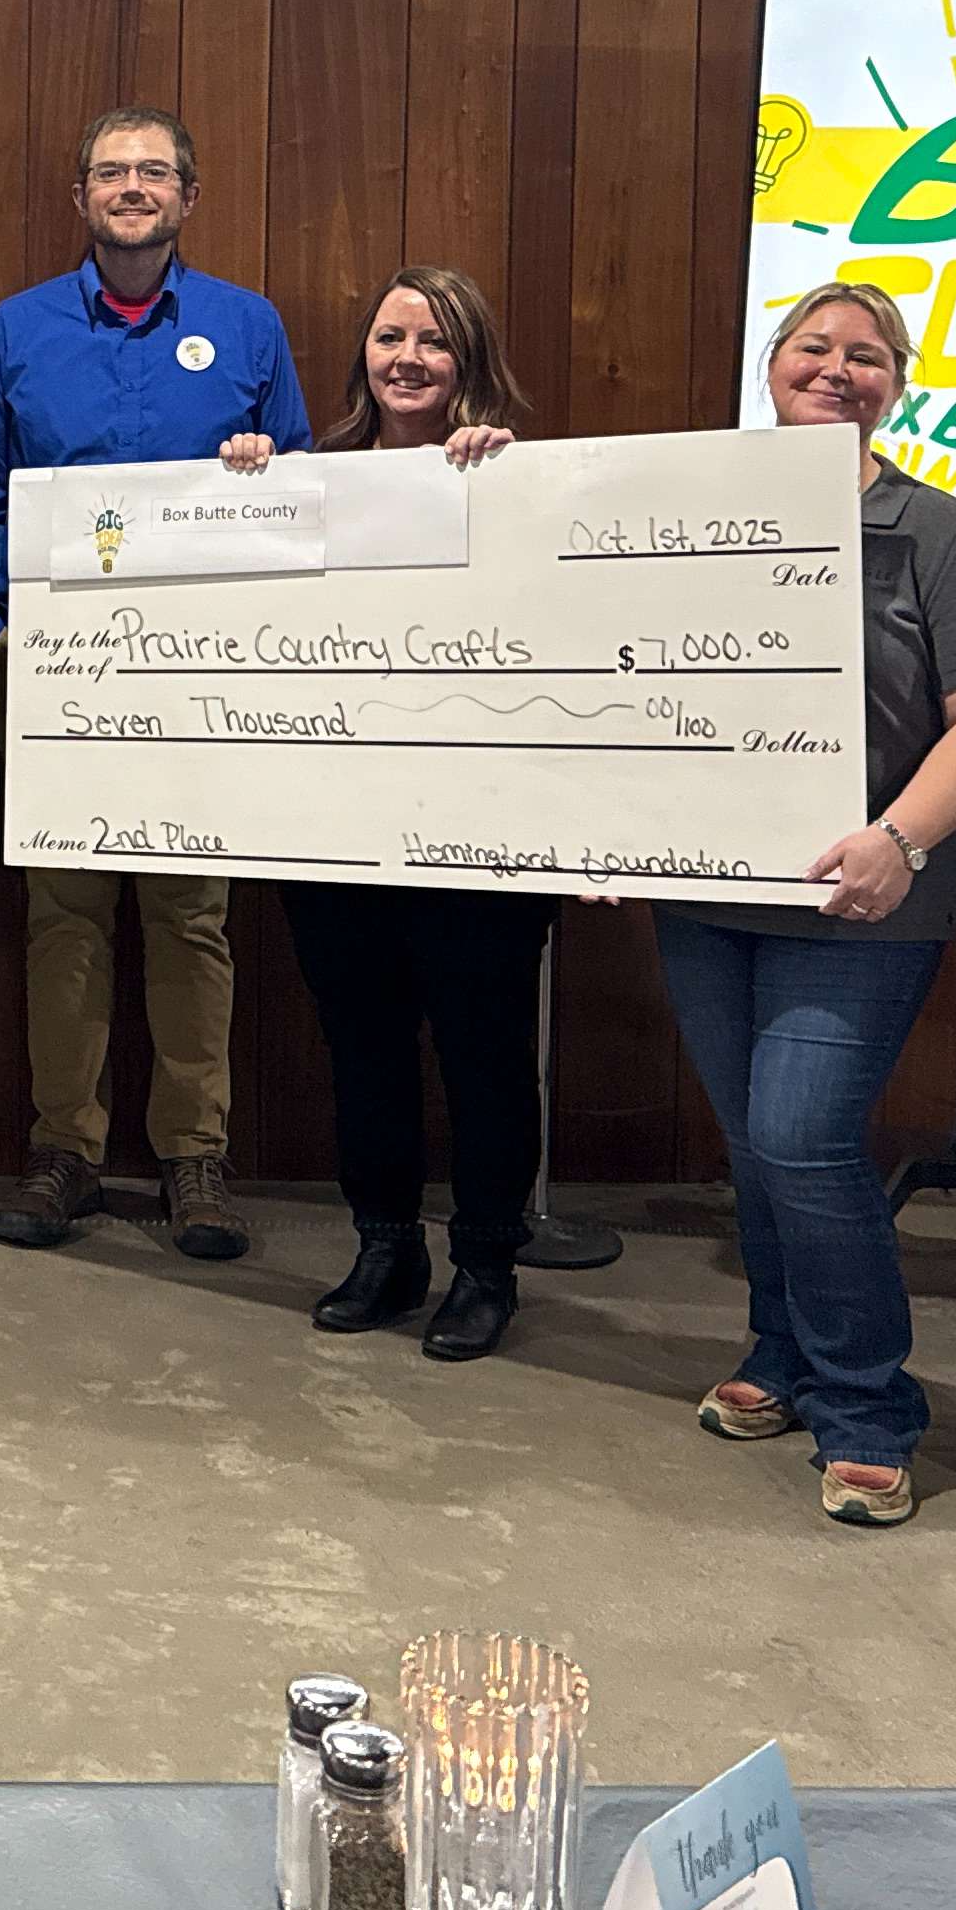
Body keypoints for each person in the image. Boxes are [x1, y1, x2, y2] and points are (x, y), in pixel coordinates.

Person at [652, 282, 956, 1529]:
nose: (837, 368)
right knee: (754, 1140)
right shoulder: (693, 513)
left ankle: (869, 1406)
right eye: (813, 346)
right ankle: (780, 1353)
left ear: (897, 387)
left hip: (865, 901)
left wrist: (900, 840)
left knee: (804, 1136)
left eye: (867, 355)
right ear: (772, 367)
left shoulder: (941, 533)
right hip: (707, 895)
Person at [0, 106, 306, 1259]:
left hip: (202, 670)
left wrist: (262, 470)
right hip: (55, 664)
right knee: (66, 913)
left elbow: (299, 487)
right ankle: (67, 1151)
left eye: (156, 171)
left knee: (191, 914)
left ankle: (194, 1156)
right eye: (112, 172)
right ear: (82, 197)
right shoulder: (21, 328)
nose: (134, 187)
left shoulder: (248, 326)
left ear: (189, 197)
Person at [240, 270, 544, 1360]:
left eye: (434, 340)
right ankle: (385, 1247)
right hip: (337, 825)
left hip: (482, 831)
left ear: (472, 360)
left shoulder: (524, 479)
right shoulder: (307, 478)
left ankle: (487, 1264)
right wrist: (244, 489)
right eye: (388, 337)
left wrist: (504, 486)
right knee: (362, 1045)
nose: (406, 358)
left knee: (483, 1051)